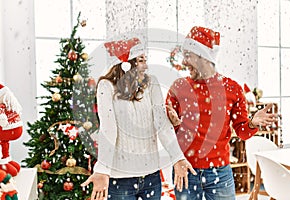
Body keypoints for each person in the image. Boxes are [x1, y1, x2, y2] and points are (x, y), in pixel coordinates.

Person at [165, 26, 278, 200]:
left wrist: (252, 123)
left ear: (203, 57)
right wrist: (173, 126)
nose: (184, 62)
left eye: (188, 56)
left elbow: (242, 132)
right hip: (186, 169)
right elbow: (166, 134)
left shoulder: (232, 89)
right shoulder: (178, 88)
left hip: (220, 173)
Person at [81, 37, 196, 200]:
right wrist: (103, 169)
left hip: (151, 177)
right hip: (120, 180)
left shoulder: (152, 83)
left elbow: (162, 125)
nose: (146, 65)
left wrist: (177, 157)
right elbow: (108, 130)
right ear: (127, 63)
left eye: (145, 60)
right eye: (141, 60)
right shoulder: (106, 86)